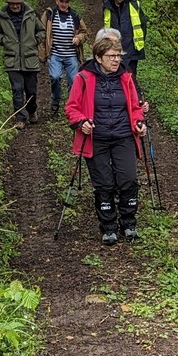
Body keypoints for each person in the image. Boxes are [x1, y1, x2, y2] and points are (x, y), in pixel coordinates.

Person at [66, 32, 147, 245]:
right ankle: (109, 227)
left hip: (123, 136)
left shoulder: (126, 77)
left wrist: (139, 122)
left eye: (118, 55)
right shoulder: (84, 77)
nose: (116, 60)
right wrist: (81, 122)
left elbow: (135, 107)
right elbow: (72, 108)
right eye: (111, 56)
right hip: (96, 139)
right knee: (104, 184)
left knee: (128, 179)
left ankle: (129, 223)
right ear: (99, 57)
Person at [0, 0, 46, 129]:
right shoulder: (2, 16)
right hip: (12, 59)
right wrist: (4, 41)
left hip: (30, 58)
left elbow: (41, 30)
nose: (15, 6)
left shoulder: (31, 14)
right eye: (12, 3)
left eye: (17, 3)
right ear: (8, 3)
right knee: (17, 89)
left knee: (31, 90)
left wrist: (35, 41)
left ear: (21, 2)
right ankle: (20, 118)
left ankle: (32, 111)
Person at [41, 0, 90, 117]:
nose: (63, 4)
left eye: (66, 1)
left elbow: (84, 32)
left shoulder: (75, 15)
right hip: (55, 54)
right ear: (57, 1)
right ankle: (55, 101)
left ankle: (72, 106)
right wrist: (43, 52)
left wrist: (79, 38)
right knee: (55, 77)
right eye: (61, 1)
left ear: (69, 3)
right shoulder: (50, 15)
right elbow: (41, 31)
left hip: (71, 54)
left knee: (74, 81)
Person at [102, 0, 147, 80]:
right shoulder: (107, 6)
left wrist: (139, 42)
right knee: (115, 76)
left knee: (130, 76)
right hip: (114, 47)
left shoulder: (134, 4)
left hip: (132, 48)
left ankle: (132, 90)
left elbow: (143, 25)